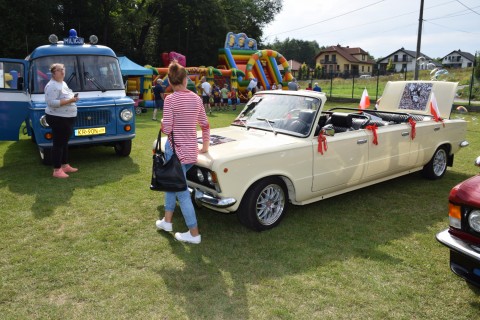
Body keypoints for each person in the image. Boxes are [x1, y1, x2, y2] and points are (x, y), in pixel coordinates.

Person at [156, 61, 210, 244]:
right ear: (186, 79)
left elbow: (167, 128)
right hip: (190, 151)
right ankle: (167, 221)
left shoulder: (170, 99)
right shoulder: (196, 98)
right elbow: (205, 124)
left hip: (176, 151)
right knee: (174, 184)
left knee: (181, 191)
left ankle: (194, 234)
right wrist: (205, 147)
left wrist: (163, 121)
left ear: (170, 82)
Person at [44, 63, 79, 178]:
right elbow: (51, 103)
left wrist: (72, 98)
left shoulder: (62, 83)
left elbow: (64, 97)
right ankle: (57, 170)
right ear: (53, 73)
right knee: (58, 143)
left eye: (63, 69)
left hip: (66, 117)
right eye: (59, 70)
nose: (62, 71)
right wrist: (70, 101)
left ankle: (65, 165)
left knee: (64, 142)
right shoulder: (52, 85)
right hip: (57, 117)